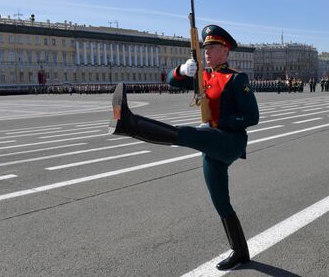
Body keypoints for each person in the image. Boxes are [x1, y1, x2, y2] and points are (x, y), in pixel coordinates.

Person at [109, 25, 259, 270]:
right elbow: (171, 81)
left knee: (188, 134)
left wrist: (219, 121)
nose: (207, 51)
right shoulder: (203, 76)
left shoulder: (236, 78)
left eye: (212, 47)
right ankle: (240, 252)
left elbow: (252, 116)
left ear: (225, 51)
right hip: (211, 143)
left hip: (229, 141)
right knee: (220, 201)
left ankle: (130, 123)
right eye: (205, 47)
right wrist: (181, 70)